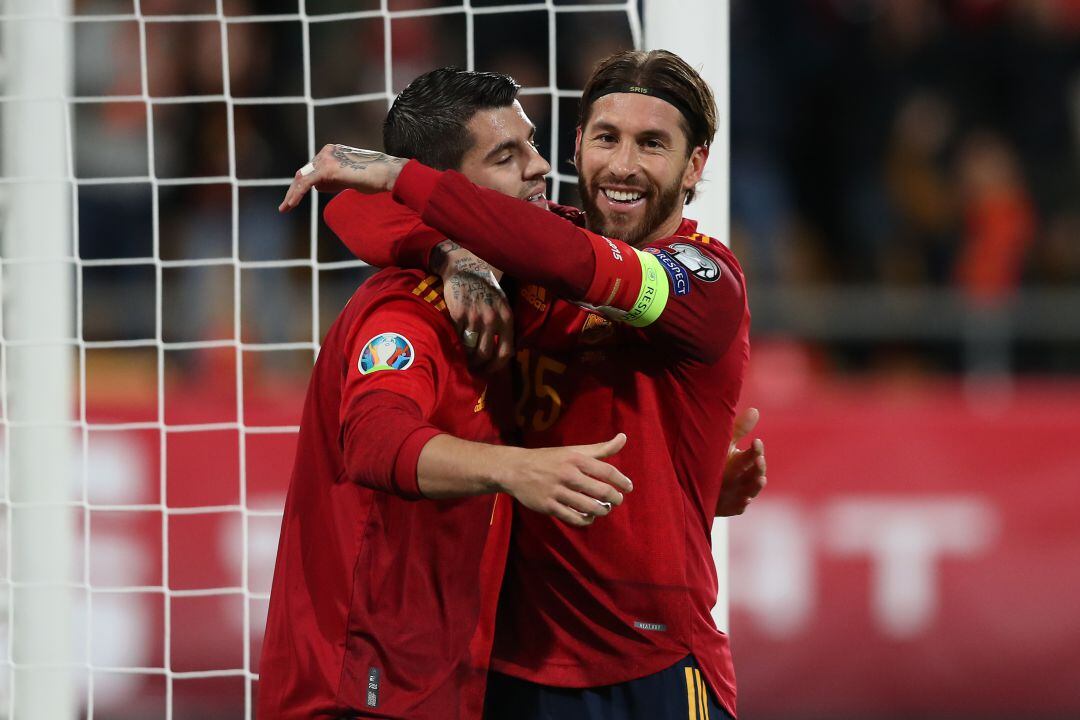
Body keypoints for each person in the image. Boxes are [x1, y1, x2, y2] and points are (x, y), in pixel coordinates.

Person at [282, 52, 765, 719]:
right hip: (512, 670)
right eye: (606, 138)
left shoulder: (704, 280)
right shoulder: (517, 268)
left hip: (654, 663)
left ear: (694, 166)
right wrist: (445, 251)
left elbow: (580, 264)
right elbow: (352, 211)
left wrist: (399, 177)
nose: (622, 165)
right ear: (579, 147)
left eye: (652, 144)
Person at [257, 69, 635, 720]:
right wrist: (519, 471)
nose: (541, 168)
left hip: (439, 676)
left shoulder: (520, 282)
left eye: (534, 144)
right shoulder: (404, 315)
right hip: (355, 690)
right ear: (444, 189)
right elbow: (374, 442)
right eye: (506, 156)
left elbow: (358, 204)